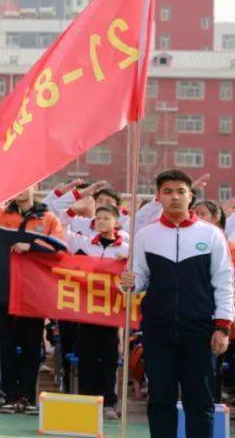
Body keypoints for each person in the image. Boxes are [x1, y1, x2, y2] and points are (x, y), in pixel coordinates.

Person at [121, 170, 234, 438]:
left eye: (180, 191)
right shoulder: (146, 236)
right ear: (158, 196)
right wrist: (127, 282)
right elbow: (139, 279)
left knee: (200, 401)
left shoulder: (211, 235)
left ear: (190, 196)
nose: (175, 197)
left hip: (200, 330)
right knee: (161, 399)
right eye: (168, 191)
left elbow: (224, 282)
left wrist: (223, 327)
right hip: (158, 330)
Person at [0, 183, 64, 413]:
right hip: (4, 292)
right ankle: (8, 395)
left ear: (36, 186)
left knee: (32, 348)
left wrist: (30, 246)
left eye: (26, 184)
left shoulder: (48, 218)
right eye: (16, 183)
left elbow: (60, 249)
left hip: (33, 294)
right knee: (7, 347)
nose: (20, 189)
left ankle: (28, 397)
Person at [63, 204, 127, 419]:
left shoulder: (126, 248)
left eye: (106, 218)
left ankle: (109, 402)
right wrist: (72, 210)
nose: (101, 221)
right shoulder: (84, 244)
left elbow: (138, 268)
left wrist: (126, 259)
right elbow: (61, 229)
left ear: (116, 222)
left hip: (110, 315)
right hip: (86, 312)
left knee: (109, 359)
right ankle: (87, 401)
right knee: (86, 358)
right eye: (98, 218)